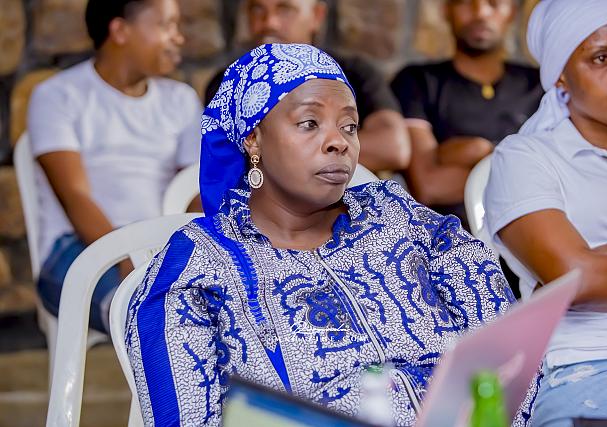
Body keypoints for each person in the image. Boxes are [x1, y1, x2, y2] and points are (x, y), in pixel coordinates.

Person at [125, 44, 528, 426]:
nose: (339, 142)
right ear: (253, 139)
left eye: (350, 126)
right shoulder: (196, 269)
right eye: (309, 123)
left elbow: (510, 354)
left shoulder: (402, 219)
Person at [484, 0, 607, 425]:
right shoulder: (526, 158)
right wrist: (587, 270)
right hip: (599, 364)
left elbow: (586, 273)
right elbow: (577, 279)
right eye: (602, 58)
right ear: (561, 76)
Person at [27, 0, 202, 333]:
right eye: (166, 25)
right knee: (140, 314)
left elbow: (195, 190)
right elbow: (74, 196)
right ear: (120, 31)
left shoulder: (180, 100)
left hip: (162, 244)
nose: (178, 37)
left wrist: (179, 251)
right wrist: (127, 256)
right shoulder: (58, 96)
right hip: (79, 247)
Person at [204, 0, 411, 174]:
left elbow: (392, 147)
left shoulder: (353, 73)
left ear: (317, 16)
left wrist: (284, 154)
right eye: (257, 9)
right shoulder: (230, 82)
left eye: (285, 9)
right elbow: (225, 160)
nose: (269, 22)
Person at [391, 0, 543, 228]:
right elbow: (429, 187)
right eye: (465, 2)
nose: (480, 12)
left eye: (493, 2)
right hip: (448, 238)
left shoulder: (540, 86)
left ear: (511, 12)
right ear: (446, 10)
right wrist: (520, 170)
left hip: (535, 235)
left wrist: (481, 151)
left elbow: (562, 176)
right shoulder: (417, 82)